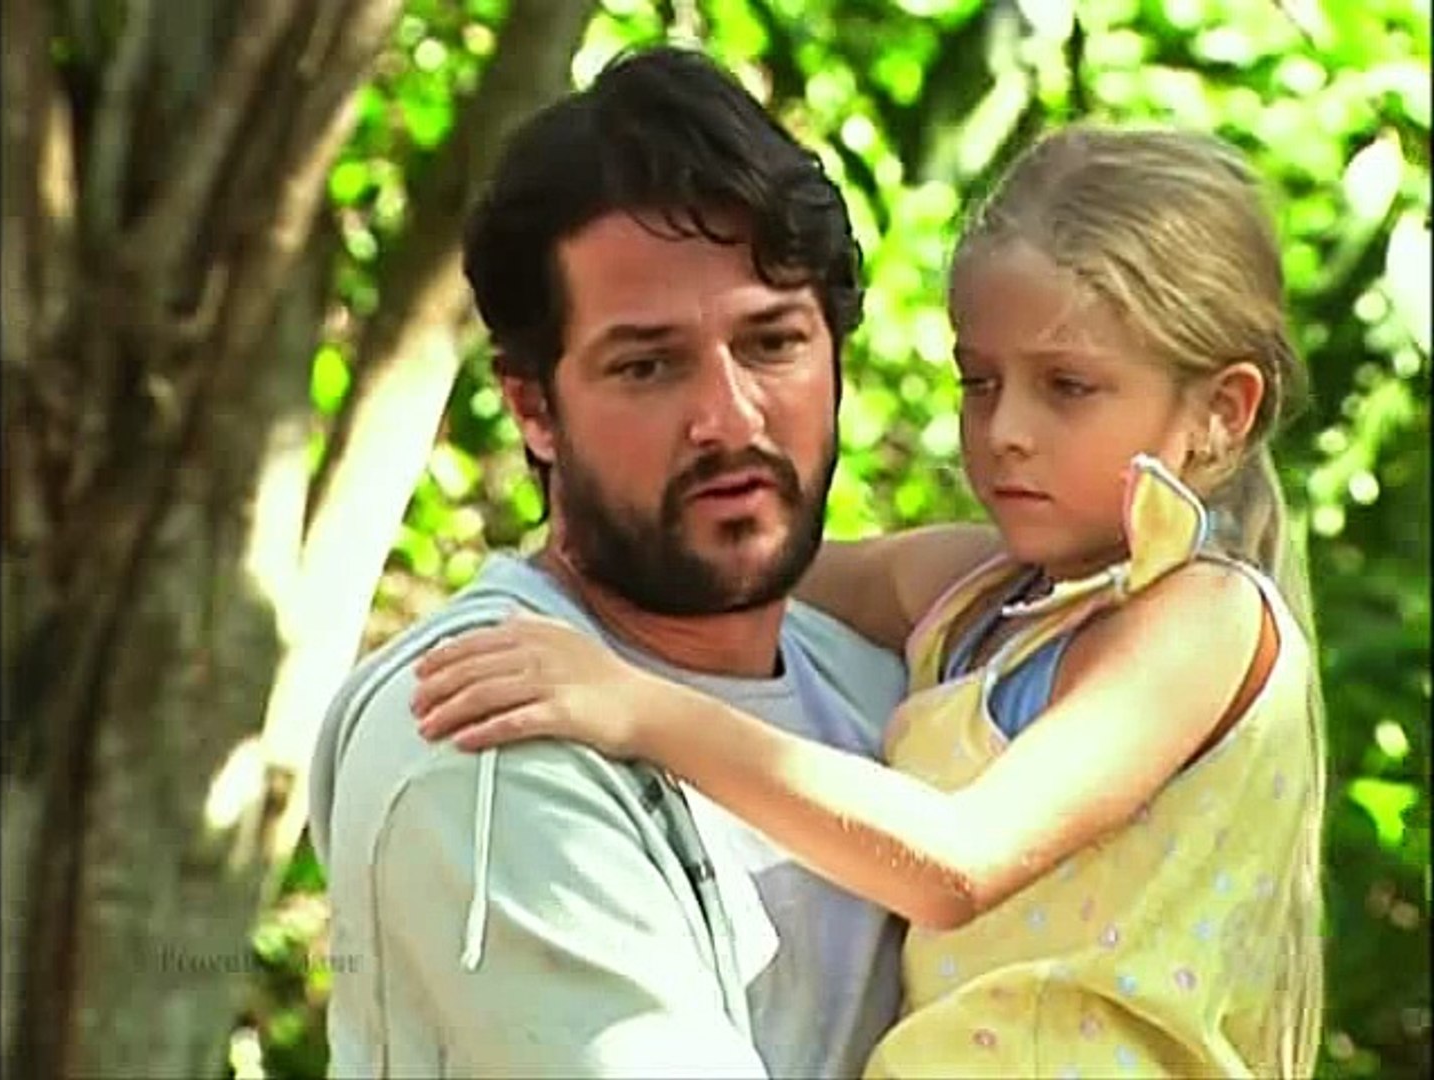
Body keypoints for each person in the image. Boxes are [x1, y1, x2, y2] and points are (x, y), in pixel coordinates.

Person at [413, 126, 1329, 1078]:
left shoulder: (1203, 618)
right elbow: (705, 559)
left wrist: (634, 706)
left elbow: (960, 862)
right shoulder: (972, 593)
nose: (1006, 431)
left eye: (1068, 387)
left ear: (1220, 412)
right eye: (980, 382)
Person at [309, 45, 1003, 1078]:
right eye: (648, 366)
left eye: (772, 343)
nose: (729, 418)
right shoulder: (483, 729)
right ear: (534, 408)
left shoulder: (890, 696)